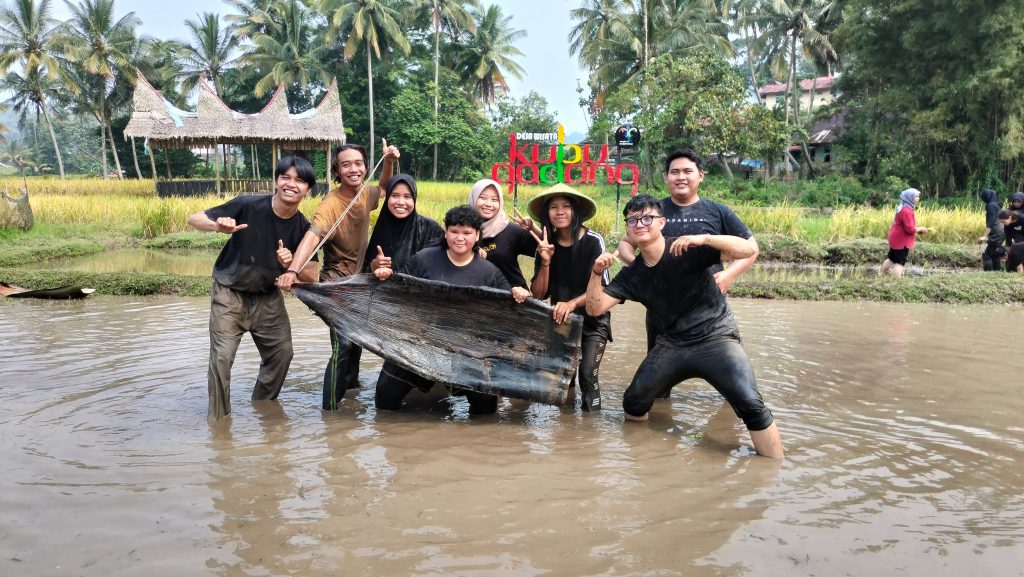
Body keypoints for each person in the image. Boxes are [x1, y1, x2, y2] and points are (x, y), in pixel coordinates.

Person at [586, 194, 784, 458]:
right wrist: (596, 273)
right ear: (627, 228)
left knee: (750, 404)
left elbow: (748, 250)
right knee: (633, 401)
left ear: (662, 223)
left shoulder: (686, 249)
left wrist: (706, 238)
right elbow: (594, 308)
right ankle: (645, 457)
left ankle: (773, 469)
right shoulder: (634, 274)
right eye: (632, 219)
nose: (640, 224)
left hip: (716, 337)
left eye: (647, 218)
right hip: (672, 344)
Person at [616, 148, 759, 398]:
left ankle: (738, 412)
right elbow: (626, 243)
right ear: (666, 177)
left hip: (709, 313)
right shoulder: (653, 212)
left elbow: (751, 248)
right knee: (656, 389)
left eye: (687, 171)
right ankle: (657, 427)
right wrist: (637, 268)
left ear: (700, 176)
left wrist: (728, 276)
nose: (680, 177)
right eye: (674, 172)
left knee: (737, 388)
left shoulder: (718, 211)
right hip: (662, 312)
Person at [187, 156, 319, 420]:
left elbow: (312, 275)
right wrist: (218, 226)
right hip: (229, 293)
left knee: (282, 353)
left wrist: (291, 263)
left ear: (308, 189)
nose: (291, 184)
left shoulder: (304, 228)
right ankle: (219, 422)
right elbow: (194, 219)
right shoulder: (248, 204)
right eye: (285, 177)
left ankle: (263, 405)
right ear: (276, 181)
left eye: (299, 180)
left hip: (267, 297)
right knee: (221, 360)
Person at [372, 205, 531, 415]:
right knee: (384, 398)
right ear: (446, 232)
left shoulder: (489, 273)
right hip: (420, 345)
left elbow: (508, 309)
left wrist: (520, 293)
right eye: (454, 231)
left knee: (486, 411)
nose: (460, 238)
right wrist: (380, 271)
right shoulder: (424, 260)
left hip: (468, 352)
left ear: (477, 236)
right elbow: (396, 289)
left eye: (467, 233)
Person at [276, 140, 398, 410]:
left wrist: (387, 161)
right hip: (336, 285)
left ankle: (350, 397)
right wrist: (293, 270)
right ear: (337, 170)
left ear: (366, 166)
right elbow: (313, 235)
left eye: (358, 163)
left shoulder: (365, 193)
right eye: (346, 165)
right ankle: (330, 413)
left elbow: (386, 190)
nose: (353, 169)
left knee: (356, 346)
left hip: (360, 284)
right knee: (342, 346)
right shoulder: (330, 204)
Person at [527, 183, 611, 412]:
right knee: (564, 378)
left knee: (586, 376)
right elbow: (538, 294)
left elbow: (605, 287)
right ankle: (568, 435)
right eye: (553, 207)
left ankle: (591, 429)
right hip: (561, 321)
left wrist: (572, 303)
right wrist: (545, 260)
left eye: (566, 206)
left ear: (575, 211)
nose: (560, 211)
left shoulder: (594, 241)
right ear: (547, 214)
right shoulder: (545, 245)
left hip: (593, 321)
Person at [363, 173, 444, 274]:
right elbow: (365, 272)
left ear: (414, 199)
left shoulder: (429, 228)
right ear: (387, 198)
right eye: (395, 195)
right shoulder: (381, 229)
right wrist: (374, 266)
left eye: (407, 197)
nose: (401, 202)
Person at [469, 179, 537, 291]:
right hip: (476, 301)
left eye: (494, 200)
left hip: (513, 300)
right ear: (473, 198)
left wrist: (533, 228)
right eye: (482, 198)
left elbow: (547, 250)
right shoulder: (462, 231)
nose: (488, 204)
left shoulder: (511, 229)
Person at [879, 188, 928, 277]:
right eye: (916, 196)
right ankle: (897, 282)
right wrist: (920, 229)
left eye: (918, 196)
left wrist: (917, 230)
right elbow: (909, 229)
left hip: (895, 238)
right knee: (900, 262)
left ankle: (881, 273)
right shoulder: (907, 211)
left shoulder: (903, 207)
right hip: (901, 241)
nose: (918, 198)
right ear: (909, 197)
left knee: (892, 258)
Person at [979, 188, 1004, 271]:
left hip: (996, 232)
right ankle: (997, 272)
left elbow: (991, 221)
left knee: (987, 254)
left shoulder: (991, 206)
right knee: (995, 253)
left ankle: (988, 272)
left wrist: (984, 236)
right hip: (1001, 231)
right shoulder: (998, 204)